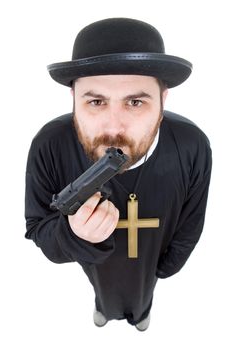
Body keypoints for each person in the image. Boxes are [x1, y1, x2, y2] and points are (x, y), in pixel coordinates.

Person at [25, 18, 212, 331]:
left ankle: (141, 315)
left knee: (143, 297)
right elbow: (37, 229)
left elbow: (191, 223)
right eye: (96, 101)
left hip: (151, 265)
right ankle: (104, 309)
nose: (114, 129)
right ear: (73, 100)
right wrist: (74, 235)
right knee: (104, 296)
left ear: (163, 102)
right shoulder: (48, 145)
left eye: (136, 102)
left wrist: (167, 269)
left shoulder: (192, 145)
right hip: (97, 269)